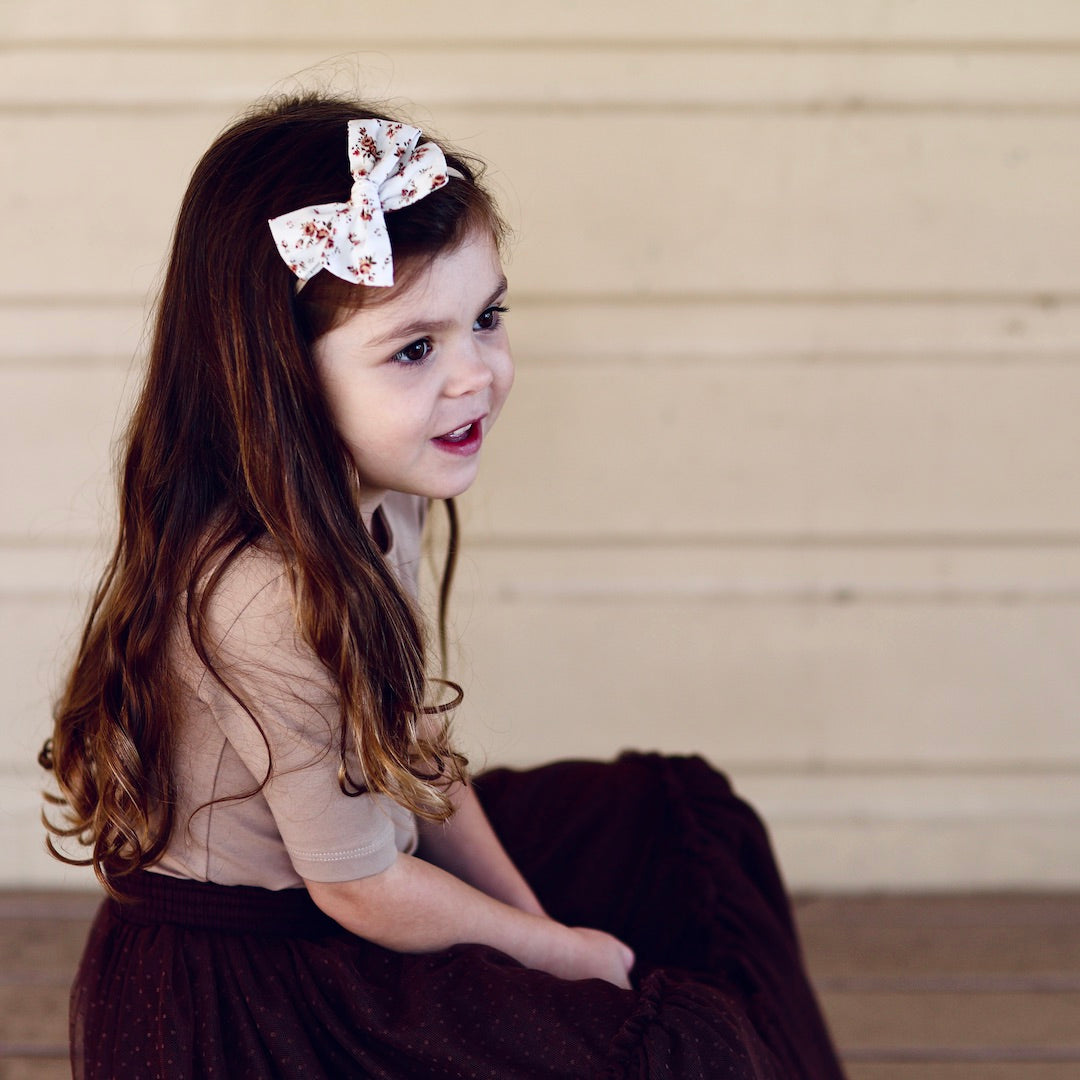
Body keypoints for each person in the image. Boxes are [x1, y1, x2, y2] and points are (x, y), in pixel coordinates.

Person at [40, 94, 845, 1079]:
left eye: (488, 318)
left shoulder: (384, 495)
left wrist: (533, 921)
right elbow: (363, 890)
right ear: (281, 376)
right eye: (416, 348)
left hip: (350, 887)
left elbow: (407, 748)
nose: (478, 375)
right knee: (677, 1045)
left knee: (684, 823)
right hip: (255, 995)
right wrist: (562, 957)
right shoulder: (266, 599)